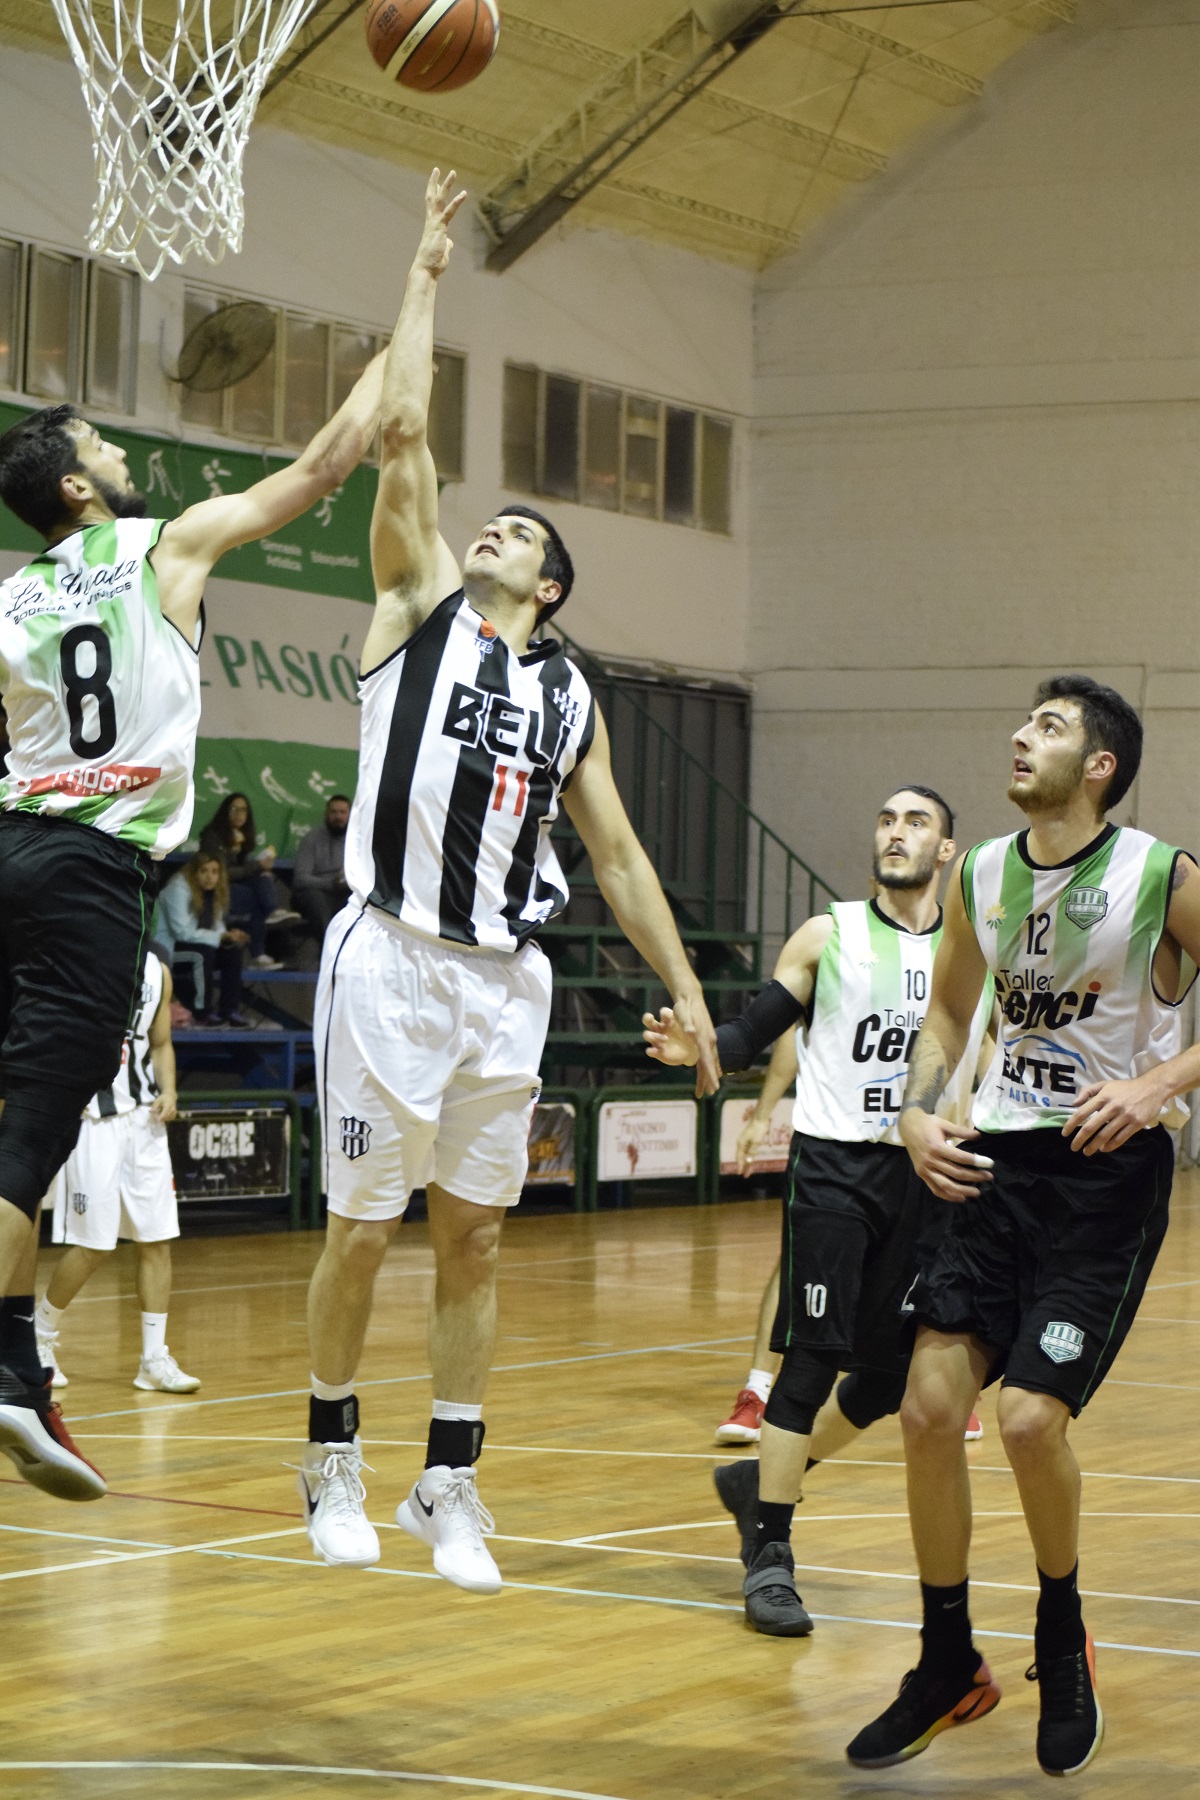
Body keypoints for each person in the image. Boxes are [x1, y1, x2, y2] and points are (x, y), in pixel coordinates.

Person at [298, 170, 719, 1592]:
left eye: (527, 535)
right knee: (363, 1232)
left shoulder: (572, 695)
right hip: (392, 953)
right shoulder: (416, 603)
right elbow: (404, 433)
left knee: (472, 1240)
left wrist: (689, 996)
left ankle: (450, 1485)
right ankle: (333, 1461)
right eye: (500, 522)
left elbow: (615, 854)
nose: (500, 529)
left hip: (506, 978)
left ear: (552, 588)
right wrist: (424, 267)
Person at [0, 336, 386, 1499]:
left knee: (23, 1126)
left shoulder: (11, 594)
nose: (121, 456)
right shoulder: (161, 548)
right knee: (32, 1139)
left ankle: (19, 1360)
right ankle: (5, 1366)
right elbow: (321, 468)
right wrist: (397, 339)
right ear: (77, 487)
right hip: (89, 869)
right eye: (105, 446)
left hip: (10, 842)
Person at [846, 676, 1200, 1779]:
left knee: (1032, 1423)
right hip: (993, 1159)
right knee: (924, 1410)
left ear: (1100, 765)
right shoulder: (987, 872)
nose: (1019, 734)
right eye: (1024, 719)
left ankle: (1062, 1633)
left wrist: (1160, 1086)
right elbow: (951, 1007)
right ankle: (948, 1661)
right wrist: (914, 1110)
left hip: (1106, 1170)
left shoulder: (1157, 872)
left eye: (1049, 727)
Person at [646, 787, 992, 1636]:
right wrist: (707, 1048)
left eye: (917, 822)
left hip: (929, 1175)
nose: (896, 831)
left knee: (883, 1379)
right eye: (885, 818)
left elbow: (984, 1056)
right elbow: (756, 1026)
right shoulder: (830, 931)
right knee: (807, 1364)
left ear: (947, 850)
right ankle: (770, 1557)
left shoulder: (972, 948)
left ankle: (756, 1484)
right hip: (837, 1171)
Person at [35, 951, 198, 1394]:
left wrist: (169, 1089)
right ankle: (40, 1336)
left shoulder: (156, 971)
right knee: (94, 1244)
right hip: (93, 1121)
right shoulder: (81, 957)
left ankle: (153, 1359)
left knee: (157, 1239)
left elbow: (160, 1041)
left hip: (144, 1120)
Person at [200, 791, 294, 968]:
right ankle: (259, 950)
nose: (239, 814)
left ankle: (271, 914)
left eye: (243, 810)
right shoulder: (212, 835)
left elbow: (244, 870)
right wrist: (256, 865)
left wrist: (260, 868)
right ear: (225, 811)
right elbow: (221, 874)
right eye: (234, 809)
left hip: (236, 887)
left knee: (263, 879)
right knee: (255, 896)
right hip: (214, 891)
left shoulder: (242, 836)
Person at [154, 852, 248, 1026]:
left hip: (195, 943)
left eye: (214, 871)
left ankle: (229, 1010)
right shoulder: (178, 889)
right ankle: (202, 1012)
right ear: (193, 873)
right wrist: (220, 936)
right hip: (166, 949)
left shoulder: (214, 892)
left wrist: (229, 937)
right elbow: (181, 932)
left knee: (232, 952)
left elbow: (216, 925)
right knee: (202, 954)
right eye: (204, 871)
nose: (209, 877)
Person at [292, 793, 351, 940]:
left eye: (343, 812)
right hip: (315, 894)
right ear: (326, 814)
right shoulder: (312, 838)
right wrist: (331, 883)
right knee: (316, 898)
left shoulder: (358, 839)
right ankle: (328, 949)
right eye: (334, 812)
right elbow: (300, 879)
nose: (338, 817)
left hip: (345, 893)